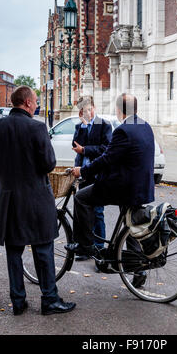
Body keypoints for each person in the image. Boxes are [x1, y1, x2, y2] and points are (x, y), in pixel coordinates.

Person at [0, 86, 76, 316]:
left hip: (9, 199)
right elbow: (48, 164)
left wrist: (2, 179)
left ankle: (18, 301)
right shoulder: (37, 127)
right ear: (26, 103)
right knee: (43, 250)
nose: (36, 105)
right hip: (36, 199)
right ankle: (49, 300)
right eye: (35, 101)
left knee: (14, 252)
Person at [65, 93, 155, 288]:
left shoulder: (122, 130)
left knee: (81, 198)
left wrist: (84, 171)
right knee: (130, 225)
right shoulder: (145, 126)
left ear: (120, 110)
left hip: (125, 187)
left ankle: (85, 245)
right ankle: (138, 269)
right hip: (142, 187)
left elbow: (107, 158)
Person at [71, 96, 112, 261]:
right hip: (83, 174)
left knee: (97, 212)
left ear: (93, 108)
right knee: (83, 213)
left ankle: (100, 250)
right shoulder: (80, 126)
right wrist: (83, 126)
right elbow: (75, 146)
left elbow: (105, 149)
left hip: (98, 175)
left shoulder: (104, 125)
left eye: (87, 109)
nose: (86, 112)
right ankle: (86, 247)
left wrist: (85, 150)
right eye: (82, 110)